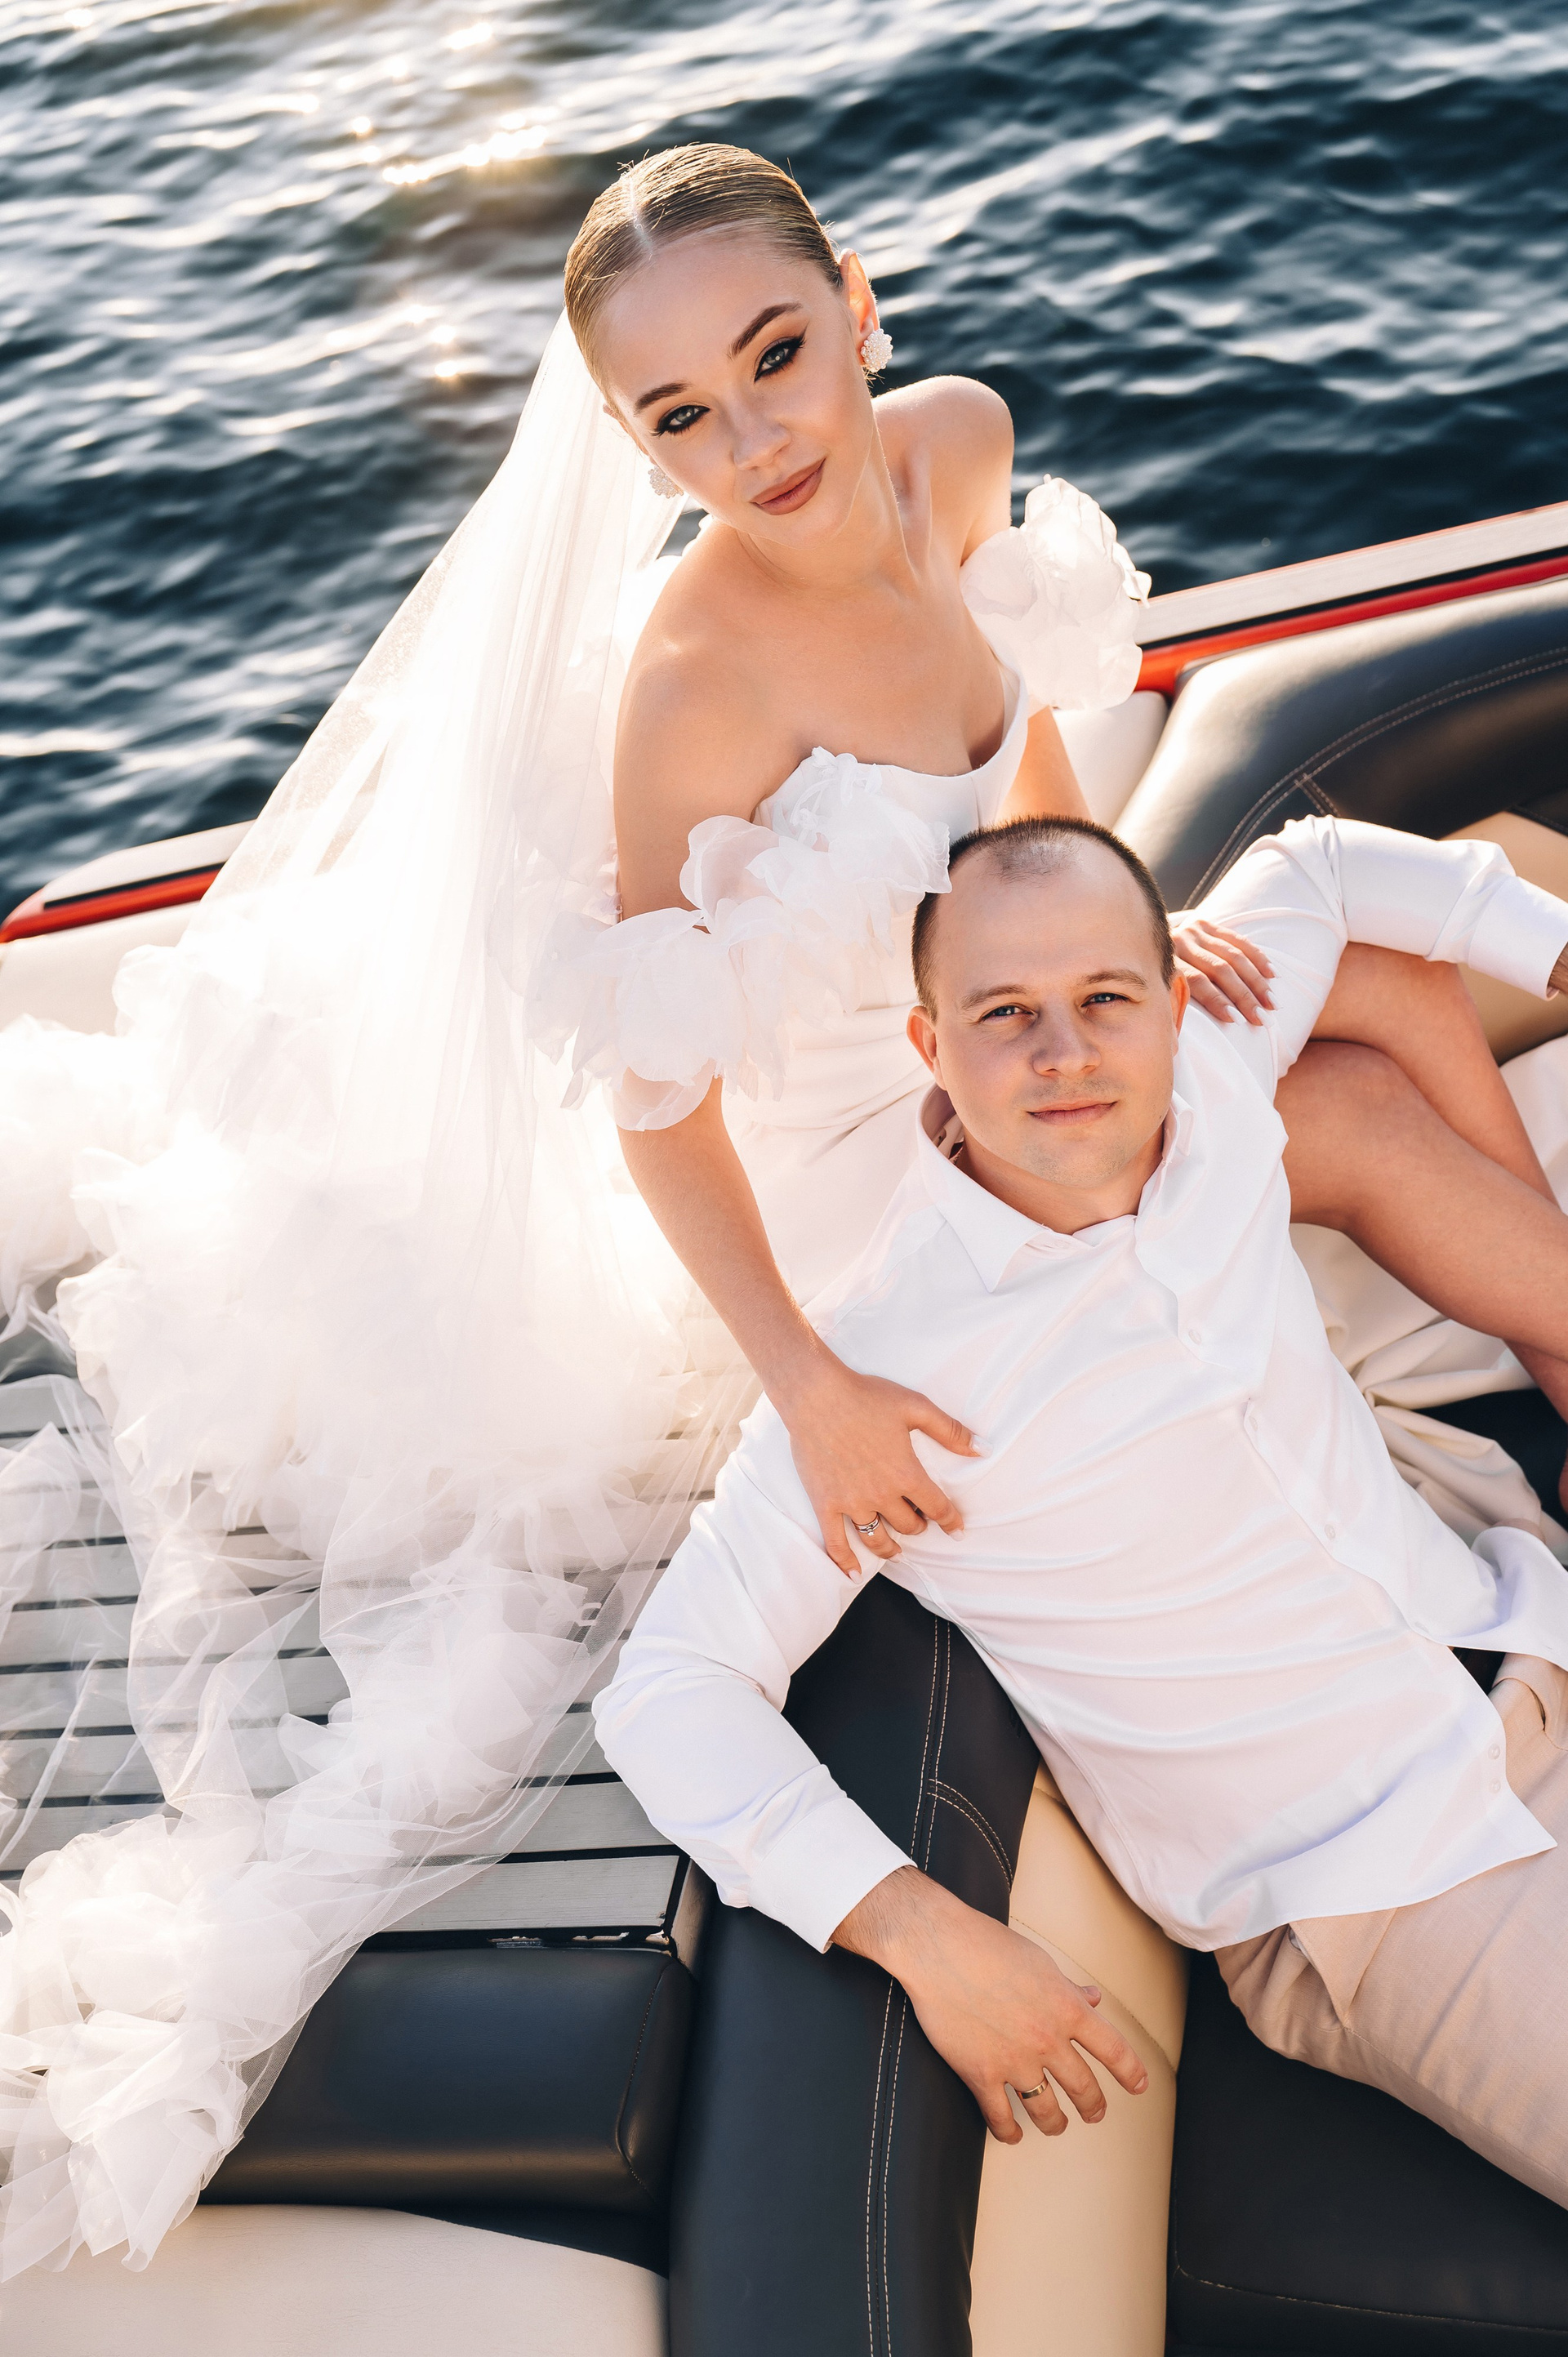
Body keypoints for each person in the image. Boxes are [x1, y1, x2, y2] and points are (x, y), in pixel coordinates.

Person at [0, 137, 1561, 2281]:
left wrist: (1107, 925)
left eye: (775, 356)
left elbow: (1019, 782)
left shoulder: (953, 450)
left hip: (987, 997)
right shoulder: (697, 693)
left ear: (859, 307)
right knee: (1354, 1093)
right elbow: (663, 1111)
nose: (753, 440)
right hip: (848, 1156)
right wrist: (809, 1379)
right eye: (680, 417)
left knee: (1361, 1005)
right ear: (632, 444)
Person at [595, 809, 1568, 2207]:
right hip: (1387, 1889)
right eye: (1006, 1014)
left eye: (1106, 998)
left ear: (1176, 998)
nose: (1065, 1054)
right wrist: (920, 1933)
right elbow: (670, 1689)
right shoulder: (886, 1371)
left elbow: (1322, 866)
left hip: (1523, 1632)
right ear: (930, 1046)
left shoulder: (1215, 1067)